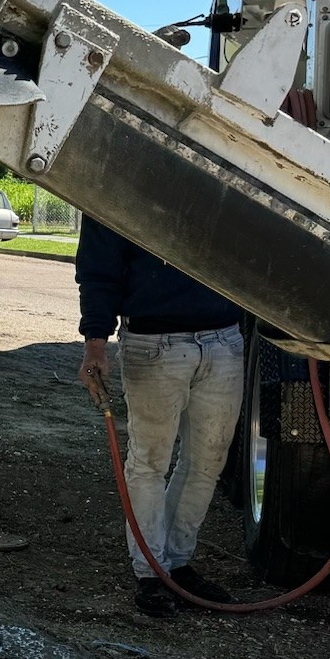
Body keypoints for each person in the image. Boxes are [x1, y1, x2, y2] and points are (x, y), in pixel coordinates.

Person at [76, 215, 244, 617]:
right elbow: (99, 269)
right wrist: (95, 343)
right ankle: (151, 572)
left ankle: (177, 563)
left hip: (224, 337)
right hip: (154, 342)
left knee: (207, 463)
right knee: (150, 462)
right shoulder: (120, 177)